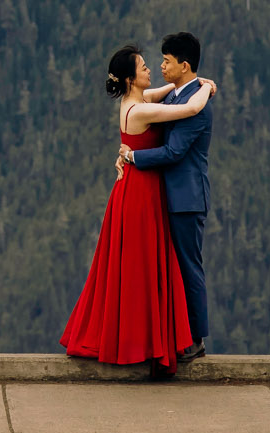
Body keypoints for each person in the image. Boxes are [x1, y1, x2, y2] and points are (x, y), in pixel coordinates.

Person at [58, 42, 216, 369]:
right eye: (144, 66)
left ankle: (150, 339)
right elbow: (187, 109)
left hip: (142, 189)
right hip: (141, 193)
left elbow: (169, 91)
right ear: (130, 79)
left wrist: (197, 84)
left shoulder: (141, 99)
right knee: (141, 268)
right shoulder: (139, 109)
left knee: (140, 267)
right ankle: (149, 342)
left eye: (156, 62)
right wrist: (209, 88)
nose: (151, 68)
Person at [116, 31, 213, 362]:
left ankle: (196, 339)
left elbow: (173, 151)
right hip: (163, 197)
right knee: (169, 269)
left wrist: (132, 157)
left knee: (188, 267)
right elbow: (170, 101)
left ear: (184, 65)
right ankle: (174, 337)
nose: (160, 67)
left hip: (185, 198)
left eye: (166, 62)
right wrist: (205, 85)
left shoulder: (193, 104)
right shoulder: (175, 97)